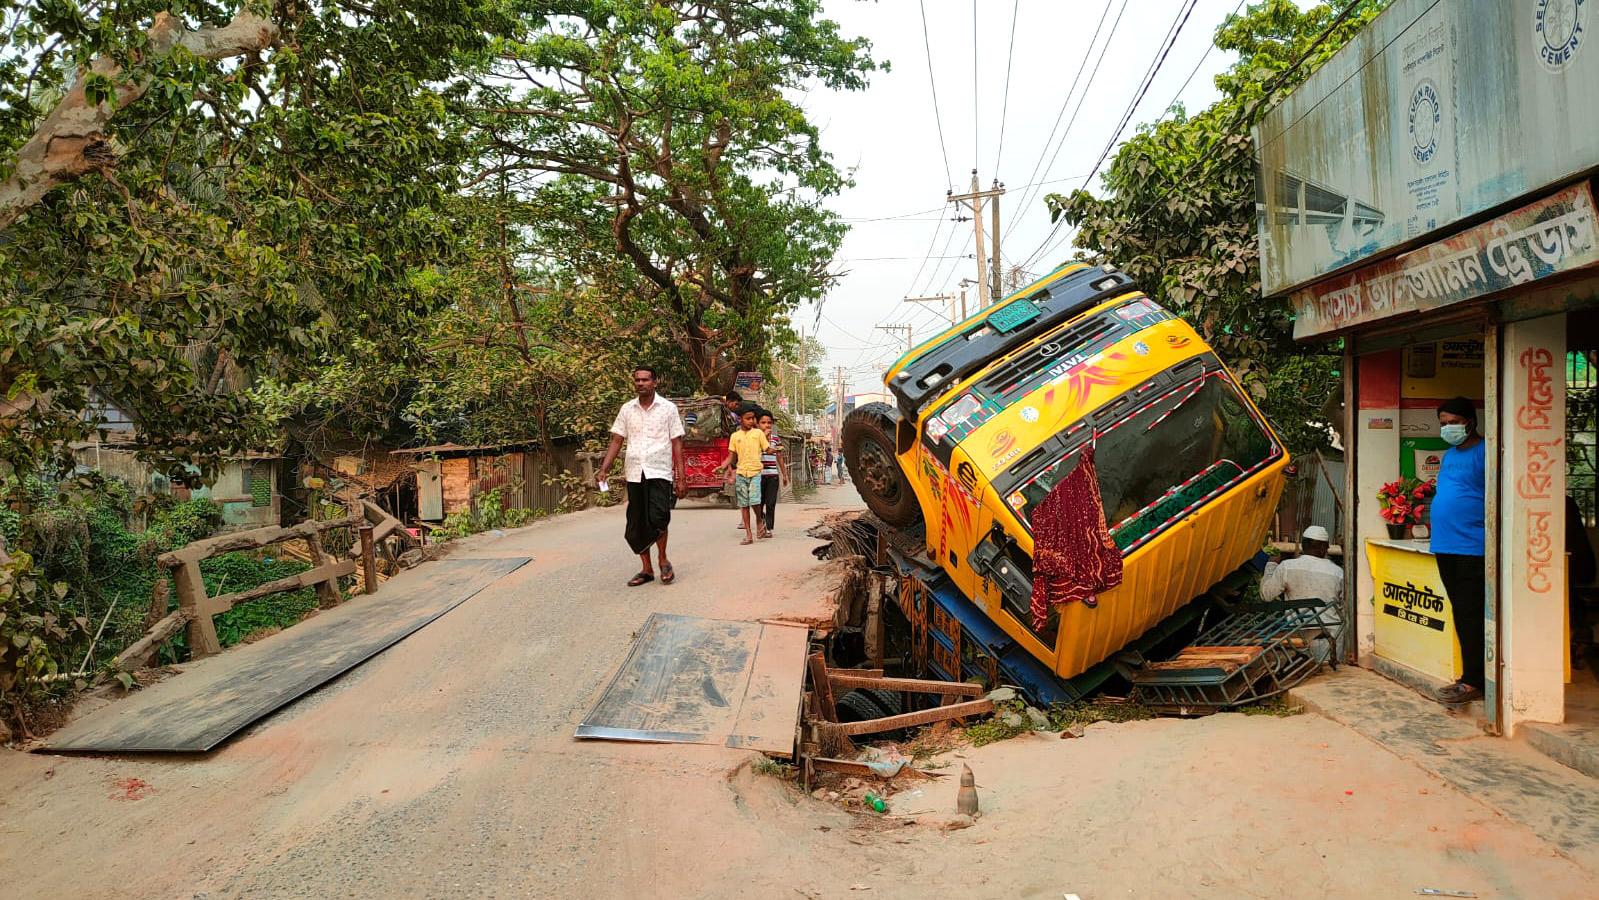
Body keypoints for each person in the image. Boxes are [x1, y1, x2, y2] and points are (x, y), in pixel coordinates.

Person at [596, 367, 685, 586]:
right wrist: (604, 468)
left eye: (645, 379)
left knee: (659, 517)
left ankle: (663, 560)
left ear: (655, 382)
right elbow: (617, 440)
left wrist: (681, 477)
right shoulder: (627, 409)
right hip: (635, 473)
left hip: (659, 472)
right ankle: (646, 569)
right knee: (636, 523)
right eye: (637, 380)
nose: (641, 383)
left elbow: (677, 443)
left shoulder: (668, 409)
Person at [1431, 396, 1486, 703]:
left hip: (1472, 547)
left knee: (1470, 612)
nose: (1448, 428)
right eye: (1443, 424)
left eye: (1453, 423)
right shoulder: (1450, 455)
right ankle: (1470, 676)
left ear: (1470, 421)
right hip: (1445, 545)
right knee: (1461, 611)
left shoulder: (1486, 451)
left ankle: (1474, 680)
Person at [1261, 525, 1345, 661]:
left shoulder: (1287, 567)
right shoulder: (1338, 573)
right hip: (1332, 637)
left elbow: (1266, 595)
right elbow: (1345, 606)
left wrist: (1271, 565)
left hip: (1300, 637)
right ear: (1325, 547)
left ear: (1303, 545)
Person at [715, 403, 767, 545]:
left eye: (753, 418)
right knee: (744, 504)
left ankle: (759, 519)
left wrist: (776, 450)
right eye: (748, 418)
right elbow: (731, 457)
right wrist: (723, 466)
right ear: (741, 420)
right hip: (741, 473)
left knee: (755, 500)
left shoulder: (758, 434)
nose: (752, 421)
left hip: (755, 472)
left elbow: (767, 449)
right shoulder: (735, 436)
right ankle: (749, 534)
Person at [757, 410, 790, 538]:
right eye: (763, 422)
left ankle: (769, 527)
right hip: (758, 476)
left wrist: (784, 475)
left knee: (771, 503)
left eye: (769, 423)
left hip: (772, 475)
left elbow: (780, 457)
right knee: (758, 503)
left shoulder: (776, 439)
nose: (767, 425)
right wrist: (763, 438)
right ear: (758, 424)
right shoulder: (754, 438)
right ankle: (762, 520)